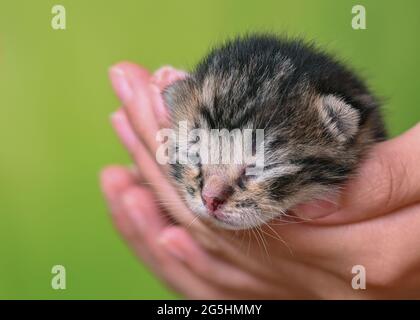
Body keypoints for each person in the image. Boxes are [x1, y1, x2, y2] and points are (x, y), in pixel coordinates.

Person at [100, 62, 420, 299]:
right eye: (197, 155)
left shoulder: (332, 117)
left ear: (339, 130)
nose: (211, 195)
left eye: (255, 168)